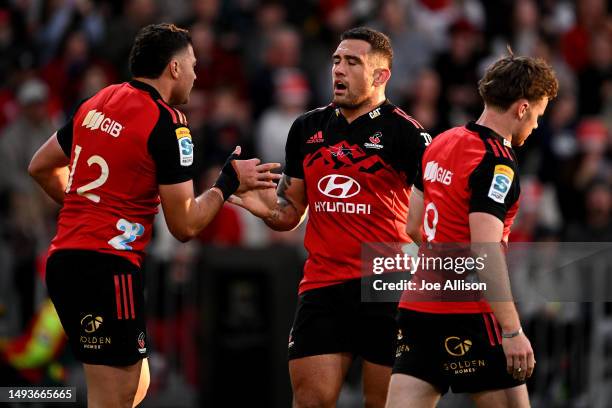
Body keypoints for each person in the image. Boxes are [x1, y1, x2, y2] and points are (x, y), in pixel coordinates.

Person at [28, 23, 280, 408]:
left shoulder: (98, 101)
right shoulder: (169, 124)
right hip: (108, 267)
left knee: (136, 385)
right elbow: (185, 225)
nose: (197, 75)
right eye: (192, 65)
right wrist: (227, 183)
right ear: (174, 69)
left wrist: (89, 207)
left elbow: (41, 166)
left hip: (67, 260)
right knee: (114, 397)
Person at [230, 27, 430, 407]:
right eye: (336, 60)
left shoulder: (407, 135)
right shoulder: (307, 128)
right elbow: (290, 212)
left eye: (352, 62)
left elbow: (430, 218)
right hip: (323, 284)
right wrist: (267, 210)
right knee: (310, 402)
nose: (339, 70)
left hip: (386, 284)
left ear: (380, 75)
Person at [387, 53, 559, 407]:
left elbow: (413, 225)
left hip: (419, 307)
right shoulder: (497, 161)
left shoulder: (441, 142)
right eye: (539, 115)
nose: (537, 126)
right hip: (470, 312)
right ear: (523, 108)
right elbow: (484, 249)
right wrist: (511, 331)